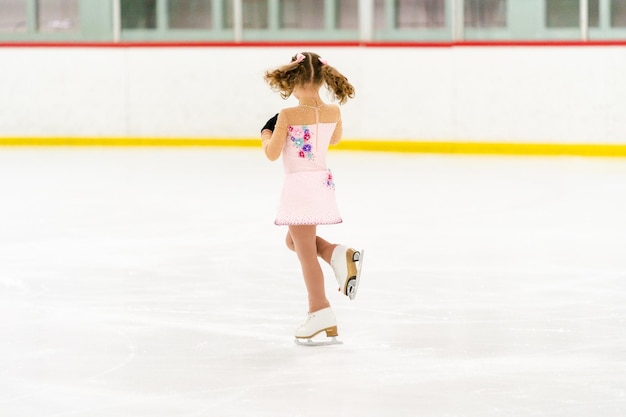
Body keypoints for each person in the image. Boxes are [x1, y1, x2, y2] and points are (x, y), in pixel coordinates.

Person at [260, 51, 363, 344]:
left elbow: (271, 154)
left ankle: (320, 310)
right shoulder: (334, 112)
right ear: (320, 80)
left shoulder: (289, 115)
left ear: (295, 81)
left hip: (298, 185)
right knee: (294, 242)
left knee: (304, 252)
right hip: (321, 181)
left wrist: (267, 134)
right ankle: (335, 253)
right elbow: (333, 139)